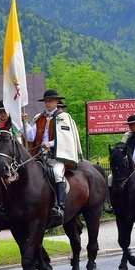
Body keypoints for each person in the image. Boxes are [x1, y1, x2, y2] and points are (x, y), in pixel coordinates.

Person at [20, 89, 83, 225]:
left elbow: (66, 137)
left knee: (57, 173)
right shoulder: (39, 117)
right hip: (39, 155)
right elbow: (31, 136)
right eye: (46, 101)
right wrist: (24, 123)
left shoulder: (63, 117)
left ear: (56, 101)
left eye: (51, 100)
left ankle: (60, 207)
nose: (48, 103)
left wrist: (51, 143)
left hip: (56, 156)